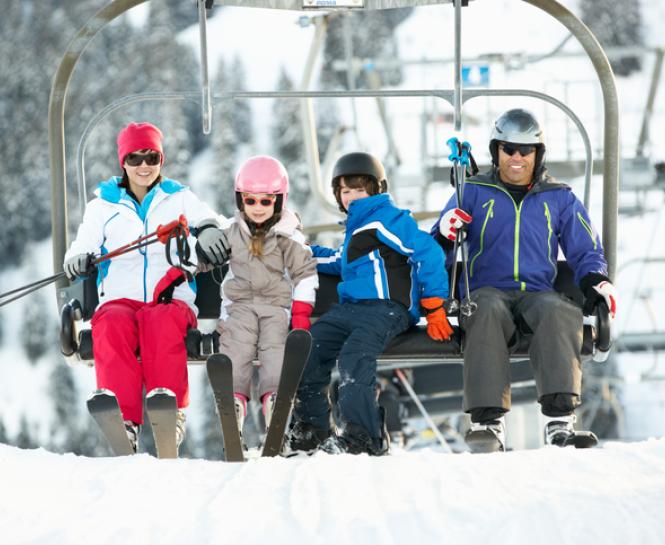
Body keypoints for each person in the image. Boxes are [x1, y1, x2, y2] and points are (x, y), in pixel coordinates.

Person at [431, 108, 618, 453]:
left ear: (538, 154)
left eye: (525, 150)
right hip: (487, 291)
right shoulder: (472, 191)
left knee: (559, 311)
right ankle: (487, 423)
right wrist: (444, 233)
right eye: (508, 149)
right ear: (496, 151)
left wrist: (596, 282)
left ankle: (560, 421)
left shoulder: (559, 197)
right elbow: (433, 251)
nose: (516, 157)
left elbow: (585, 249)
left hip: (536, 293)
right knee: (483, 308)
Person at [63, 122, 230, 454]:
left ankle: (169, 409)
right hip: (120, 299)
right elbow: (80, 246)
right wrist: (79, 259)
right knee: (109, 323)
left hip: (171, 297)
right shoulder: (103, 206)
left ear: (161, 160)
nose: (143, 166)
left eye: (151, 158)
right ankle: (124, 419)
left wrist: (210, 230)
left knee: (160, 322)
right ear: (123, 161)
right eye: (135, 158)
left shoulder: (178, 197)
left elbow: (215, 222)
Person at [287, 152, 453, 456]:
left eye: (359, 189)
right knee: (309, 348)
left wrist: (434, 304)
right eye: (345, 191)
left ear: (376, 189)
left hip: (386, 308)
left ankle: (363, 435)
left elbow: (427, 250)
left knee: (354, 356)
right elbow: (339, 261)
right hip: (352, 310)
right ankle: (313, 428)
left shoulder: (386, 218)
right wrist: (299, 252)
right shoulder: (356, 229)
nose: (351, 197)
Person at [213, 155, 318, 438]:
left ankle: (275, 399)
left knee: (276, 347)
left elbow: (305, 274)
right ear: (240, 200)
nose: (257, 208)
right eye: (250, 200)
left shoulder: (288, 237)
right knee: (237, 344)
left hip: (276, 306)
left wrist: (300, 315)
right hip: (240, 306)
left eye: (265, 201)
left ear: (279, 201)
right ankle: (233, 401)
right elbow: (203, 258)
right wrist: (193, 254)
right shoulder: (230, 232)